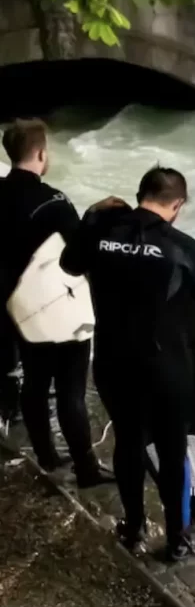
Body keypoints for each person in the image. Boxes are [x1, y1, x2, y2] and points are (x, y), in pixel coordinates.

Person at [60, 167, 195, 562]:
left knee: (128, 443)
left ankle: (133, 528)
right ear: (177, 205)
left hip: (113, 362)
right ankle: (177, 539)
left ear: (138, 193)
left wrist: (93, 215)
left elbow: (69, 263)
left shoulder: (101, 235)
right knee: (172, 448)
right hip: (167, 367)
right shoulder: (183, 246)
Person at [0, 119, 111, 486]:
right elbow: (79, 256)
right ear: (42, 154)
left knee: (33, 380)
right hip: (53, 309)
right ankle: (86, 468)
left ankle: (47, 456)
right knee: (71, 391)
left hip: (13, 308)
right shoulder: (53, 200)